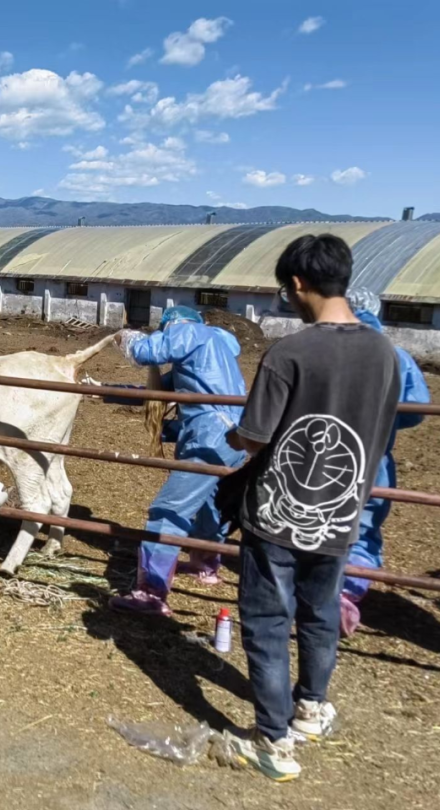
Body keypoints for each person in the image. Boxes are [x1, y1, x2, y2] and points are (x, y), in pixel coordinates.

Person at [226, 234, 400, 781]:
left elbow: (255, 438)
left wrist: (233, 436)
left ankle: (273, 743)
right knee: (321, 612)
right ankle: (311, 709)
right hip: (342, 513)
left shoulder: (289, 353)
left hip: (277, 515)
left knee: (267, 622)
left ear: (298, 283)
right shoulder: (384, 353)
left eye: (286, 289)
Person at [108, 305, 247, 617]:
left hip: (209, 437)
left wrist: (128, 338)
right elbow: (153, 393)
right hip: (235, 438)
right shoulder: (214, 349)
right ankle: (206, 564)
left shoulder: (190, 332)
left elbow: (146, 352)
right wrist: (103, 392)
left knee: (168, 511)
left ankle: (151, 592)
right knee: (211, 503)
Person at [340, 289, 430, 636]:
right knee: (364, 529)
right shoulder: (396, 355)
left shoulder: (327, 349)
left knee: (321, 521)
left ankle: (318, 591)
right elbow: (417, 408)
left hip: (326, 455)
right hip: (375, 458)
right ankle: (347, 594)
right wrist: (388, 422)